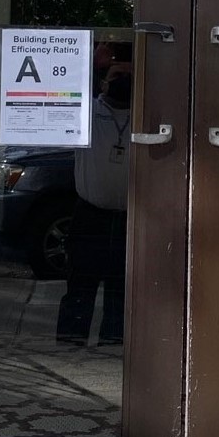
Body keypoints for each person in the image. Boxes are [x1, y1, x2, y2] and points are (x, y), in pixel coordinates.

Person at [56, 59, 131, 346]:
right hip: (90, 215)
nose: (122, 80)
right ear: (103, 80)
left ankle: (114, 346)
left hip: (130, 218)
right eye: (117, 75)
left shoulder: (148, 114)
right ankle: (70, 342)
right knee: (80, 284)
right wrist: (94, 63)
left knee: (121, 289)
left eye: (128, 75)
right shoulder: (87, 111)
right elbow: (66, 86)